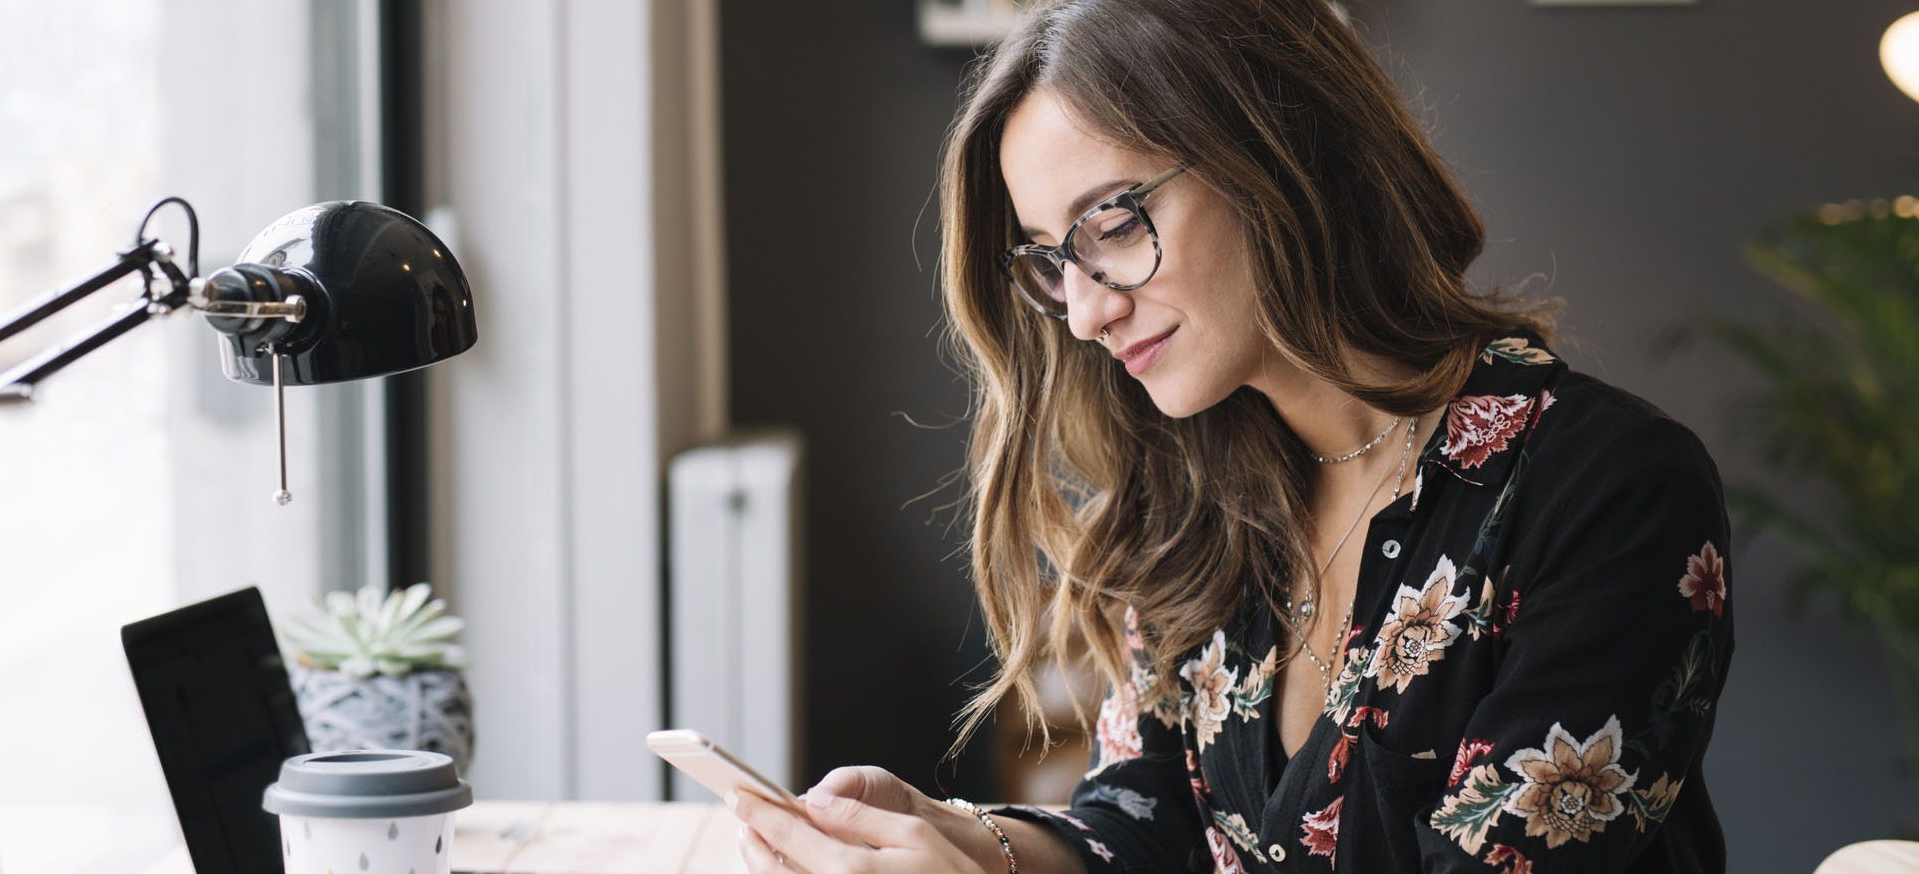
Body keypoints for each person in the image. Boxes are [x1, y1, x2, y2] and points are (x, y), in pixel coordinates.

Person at [729, 0, 1733, 870]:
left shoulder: (1610, 493)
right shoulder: (1188, 499)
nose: (1081, 313)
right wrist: (967, 843)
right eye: (1049, 259)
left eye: (1112, 224)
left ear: (1277, 151)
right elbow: (1138, 828)